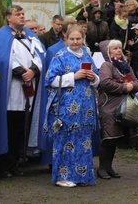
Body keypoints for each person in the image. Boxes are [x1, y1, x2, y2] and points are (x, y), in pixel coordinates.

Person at [0, 5, 45, 178]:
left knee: (20, 128)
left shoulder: (31, 36)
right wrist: (21, 72)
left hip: (28, 89)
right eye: (17, 14)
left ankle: (14, 163)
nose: (21, 16)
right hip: (9, 89)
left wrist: (33, 70)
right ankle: (1, 165)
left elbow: (40, 55)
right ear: (8, 18)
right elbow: (1, 58)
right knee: (6, 126)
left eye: (22, 14)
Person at [44, 25, 100, 187]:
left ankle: (82, 176)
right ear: (66, 39)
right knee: (65, 139)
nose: (75, 42)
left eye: (78, 39)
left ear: (83, 39)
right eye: (72, 39)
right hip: (66, 107)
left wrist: (93, 77)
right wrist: (73, 77)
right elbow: (51, 80)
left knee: (83, 141)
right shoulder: (60, 56)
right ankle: (62, 176)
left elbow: (97, 80)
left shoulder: (87, 56)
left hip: (85, 108)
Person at [97, 39, 138, 179]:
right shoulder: (106, 65)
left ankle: (109, 167)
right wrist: (124, 87)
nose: (119, 50)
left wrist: (132, 86)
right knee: (108, 138)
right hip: (109, 106)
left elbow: (136, 82)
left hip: (122, 107)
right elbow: (105, 82)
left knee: (115, 138)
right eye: (115, 48)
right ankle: (102, 168)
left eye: (120, 48)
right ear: (108, 52)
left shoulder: (126, 66)